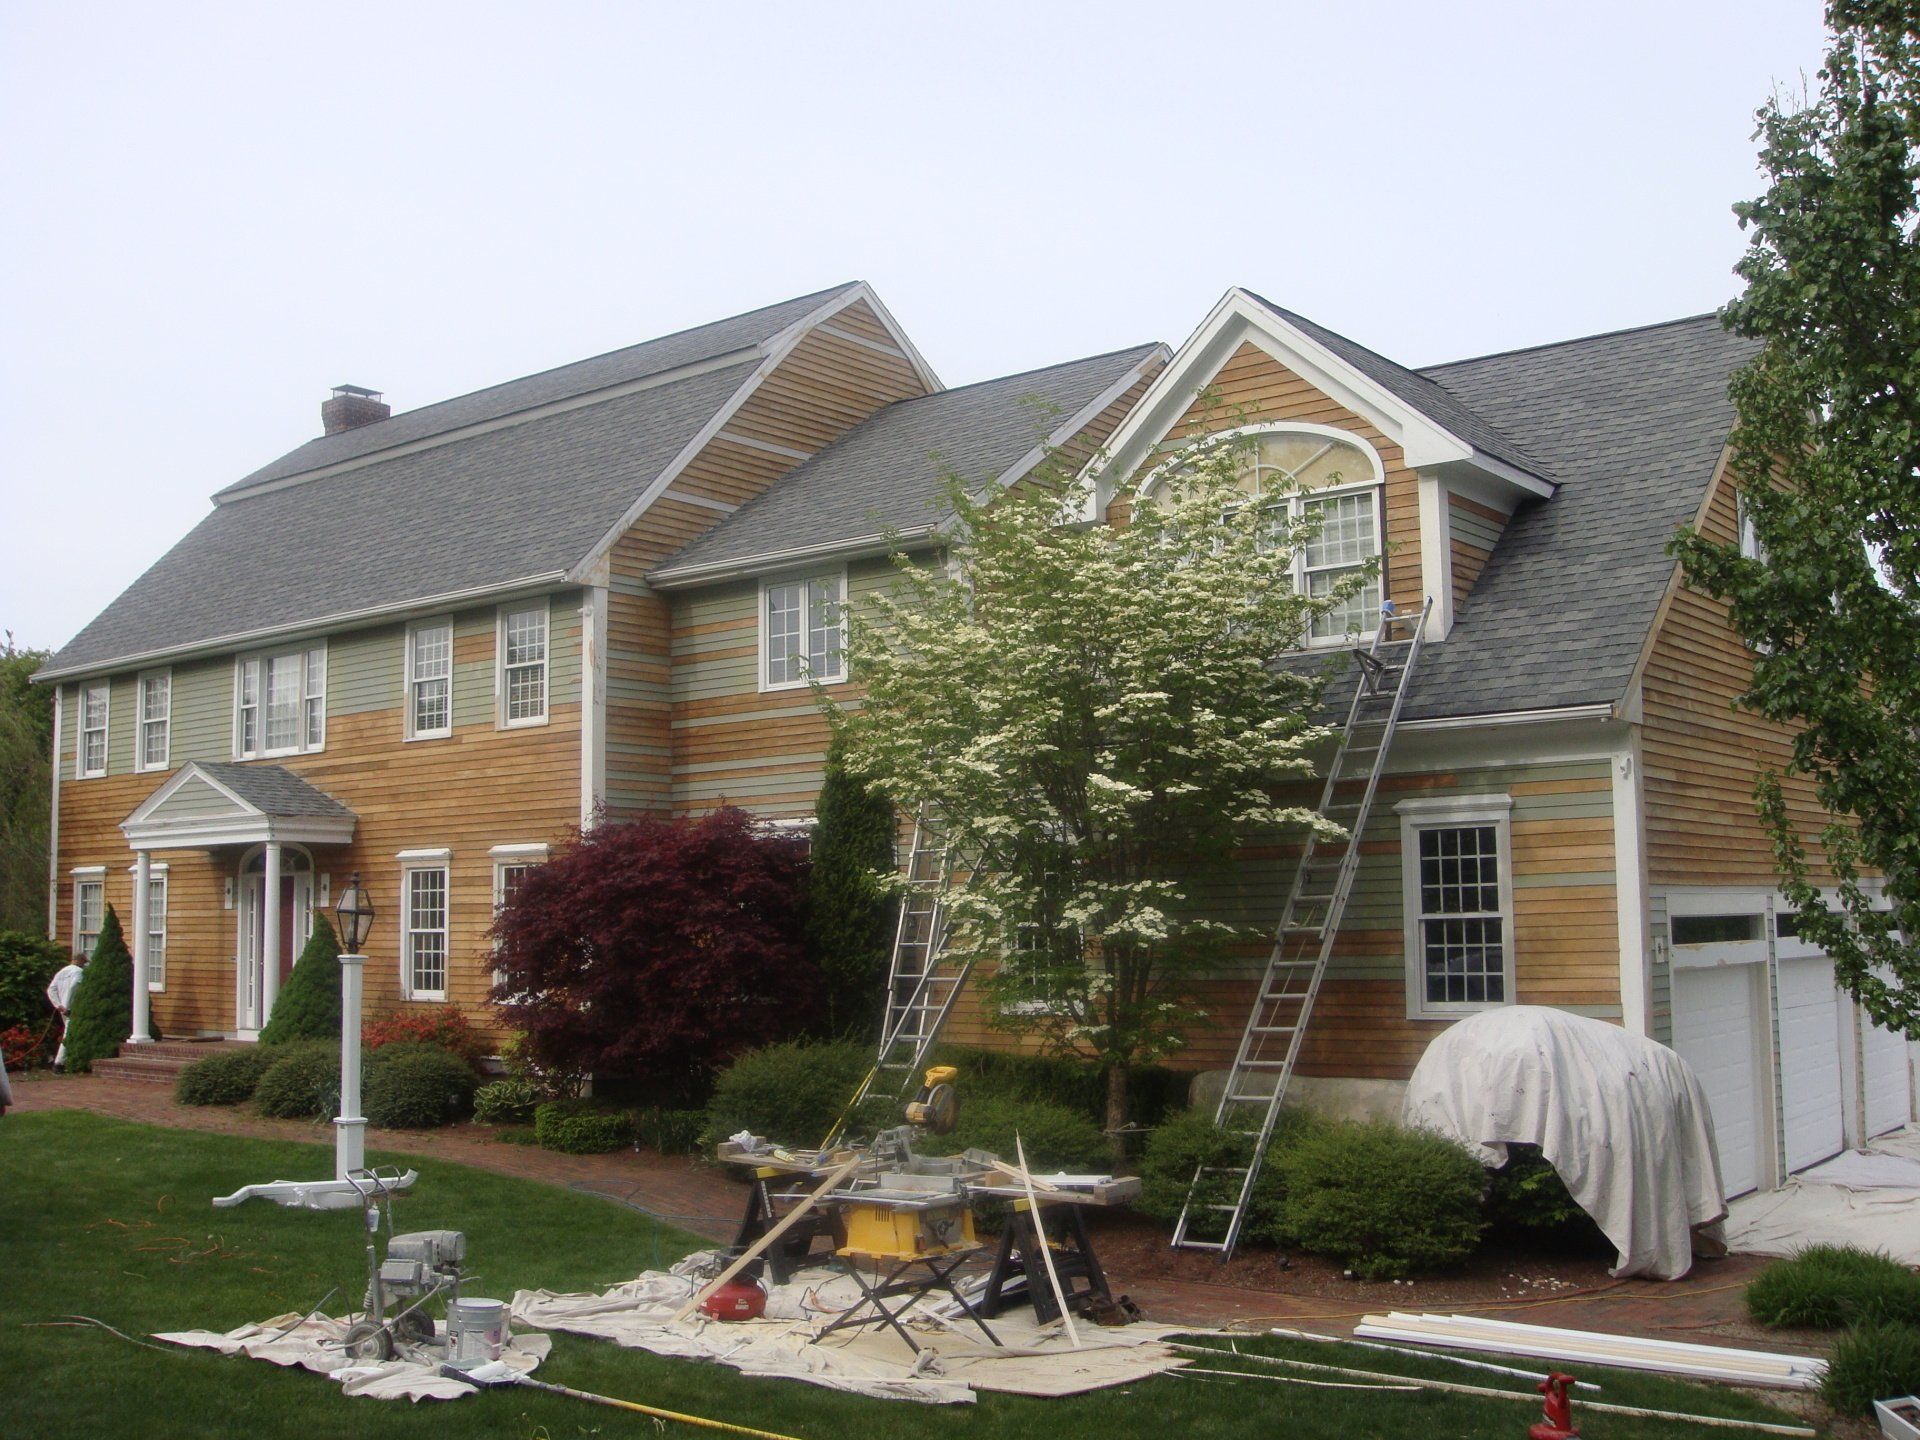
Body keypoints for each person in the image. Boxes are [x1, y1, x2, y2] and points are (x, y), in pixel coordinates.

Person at [47, 953, 85, 1072]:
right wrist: (67, 1006)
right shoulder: (79, 972)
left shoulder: (61, 972)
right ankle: (59, 1064)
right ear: (80, 961)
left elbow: (51, 989)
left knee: (70, 1033)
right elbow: (74, 986)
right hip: (73, 1008)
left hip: (63, 1008)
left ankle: (69, 1060)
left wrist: (59, 1005)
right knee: (68, 1034)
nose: (84, 965)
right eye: (84, 962)